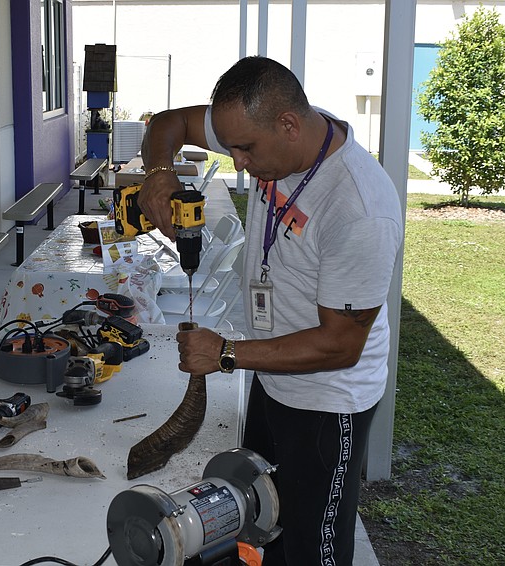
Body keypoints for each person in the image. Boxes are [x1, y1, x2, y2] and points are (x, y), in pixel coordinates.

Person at [138, 56, 403, 565]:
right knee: (261, 522)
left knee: (312, 547)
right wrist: (159, 172)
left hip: (328, 402)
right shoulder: (264, 126)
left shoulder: (359, 209)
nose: (236, 162)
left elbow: (341, 345)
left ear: (288, 126)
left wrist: (227, 353)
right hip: (272, 377)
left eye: (245, 149)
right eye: (231, 145)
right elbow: (169, 123)